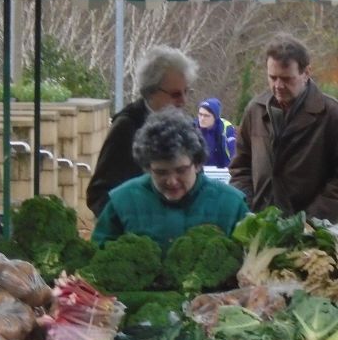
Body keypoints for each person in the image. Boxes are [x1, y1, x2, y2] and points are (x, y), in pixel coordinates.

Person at [228, 33, 338, 221]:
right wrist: (249, 206)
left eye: (287, 79)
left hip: (312, 232)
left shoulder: (333, 116)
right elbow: (240, 167)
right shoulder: (255, 111)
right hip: (260, 224)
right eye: (272, 77)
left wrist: (311, 219)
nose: (278, 85)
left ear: (306, 73)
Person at [92, 107, 248, 251]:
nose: (172, 181)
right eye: (161, 172)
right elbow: (98, 255)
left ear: (197, 163)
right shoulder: (122, 201)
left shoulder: (232, 204)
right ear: (147, 168)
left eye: (181, 171)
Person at [86, 46, 198, 217]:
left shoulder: (186, 126)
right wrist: (130, 225)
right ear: (151, 92)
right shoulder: (127, 127)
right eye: (175, 94)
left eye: (186, 92)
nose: (183, 101)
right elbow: (98, 193)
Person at [197, 98, 237, 168]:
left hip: (222, 171)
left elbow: (234, 154)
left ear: (215, 118)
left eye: (206, 116)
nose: (202, 118)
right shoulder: (192, 128)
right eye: (200, 114)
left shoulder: (226, 128)